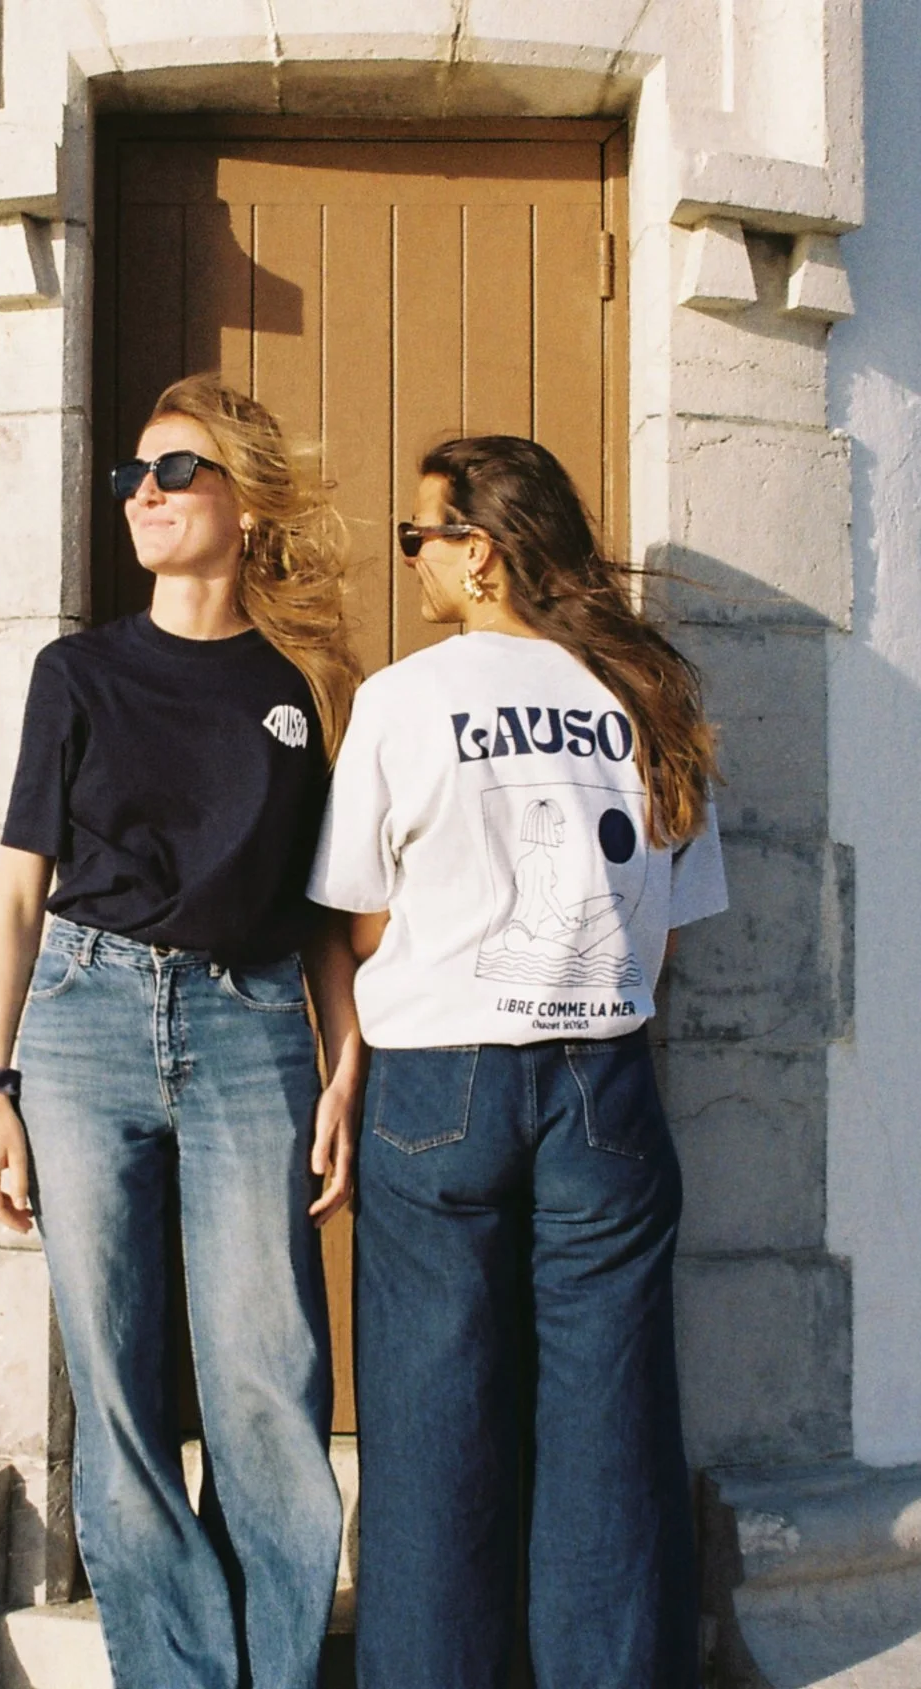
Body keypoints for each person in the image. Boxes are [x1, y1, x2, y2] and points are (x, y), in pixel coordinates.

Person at [308, 435, 728, 1689]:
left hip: (439, 1080)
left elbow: (357, 916)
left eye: (419, 536)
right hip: (605, 1078)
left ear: (479, 552)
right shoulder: (647, 697)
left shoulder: (404, 700)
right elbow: (667, 932)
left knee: (433, 1430)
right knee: (612, 1430)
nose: (412, 561)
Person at [0, 374, 365, 1689]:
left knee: (268, 1381)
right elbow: (16, 894)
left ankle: (272, 1668)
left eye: (177, 470)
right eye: (133, 474)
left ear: (246, 504)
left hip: (251, 1027)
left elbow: (327, 910)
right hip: (82, 1026)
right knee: (119, 1388)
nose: (145, 493)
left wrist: (344, 1065)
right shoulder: (76, 673)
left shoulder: (309, 685)